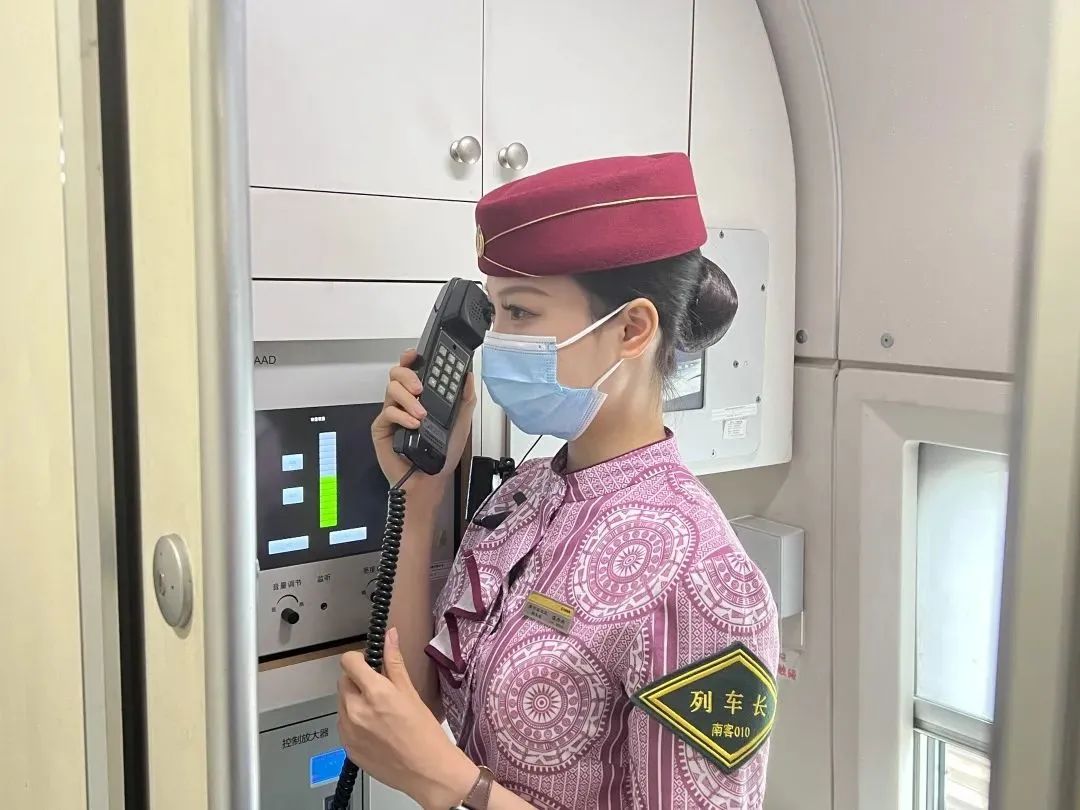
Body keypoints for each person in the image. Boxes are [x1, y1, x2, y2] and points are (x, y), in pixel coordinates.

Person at [336, 153, 780, 809]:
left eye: (521, 313)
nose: (497, 341)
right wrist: (419, 498)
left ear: (631, 329)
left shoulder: (704, 583)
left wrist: (457, 785)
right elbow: (417, 700)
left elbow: (436, 765)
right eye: (495, 314)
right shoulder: (521, 497)